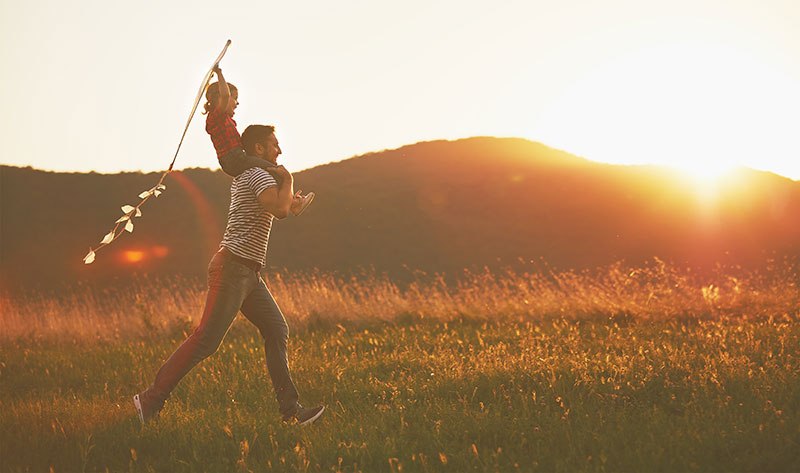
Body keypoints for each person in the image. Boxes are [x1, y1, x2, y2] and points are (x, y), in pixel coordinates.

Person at [134, 124, 325, 426]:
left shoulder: (254, 175)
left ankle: (291, 412)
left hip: (249, 274)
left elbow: (282, 207)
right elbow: (279, 209)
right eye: (274, 145)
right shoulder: (257, 175)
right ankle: (150, 399)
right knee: (206, 341)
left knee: (277, 329)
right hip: (233, 268)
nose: (280, 151)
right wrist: (288, 180)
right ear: (259, 149)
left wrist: (290, 200)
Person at [205, 65, 313, 216]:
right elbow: (224, 95)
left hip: (235, 158)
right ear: (220, 99)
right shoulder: (217, 117)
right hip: (234, 159)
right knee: (275, 170)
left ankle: (292, 202)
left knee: (271, 170)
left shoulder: (227, 120)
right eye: (234, 98)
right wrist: (219, 73)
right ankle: (294, 203)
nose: (237, 103)